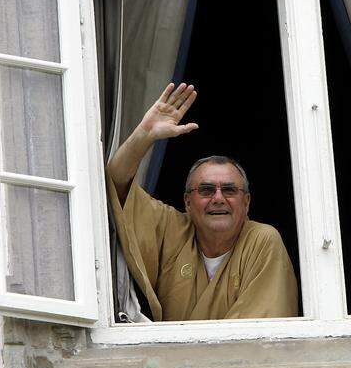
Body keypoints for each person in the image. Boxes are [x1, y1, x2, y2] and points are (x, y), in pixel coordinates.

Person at [107, 82, 298, 321]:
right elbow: (116, 183)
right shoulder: (172, 229)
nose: (218, 198)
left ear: (246, 202)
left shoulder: (261, 240)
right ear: (187, 202)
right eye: (206, 190)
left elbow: (257, 335)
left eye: (229, 190)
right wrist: (144, 135)